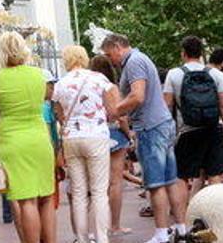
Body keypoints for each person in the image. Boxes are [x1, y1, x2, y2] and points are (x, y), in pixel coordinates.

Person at [102, 34, 187, 243]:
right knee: (170, 179)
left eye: (109, 53)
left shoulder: (134, 62)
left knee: (156, 183)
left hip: (150, 127)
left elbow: (137, 95)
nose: (109, 59)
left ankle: (161, 233)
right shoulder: (141, 59)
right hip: (162, 123)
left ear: (117, 46)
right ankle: (180, 228)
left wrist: (115, 110)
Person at [0, 32, 56, 243]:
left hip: (12, 140)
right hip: (40, 138)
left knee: (26, 200)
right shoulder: (39, 75)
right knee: (47, 197)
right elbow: (45, 99)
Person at [53, 45, 120, 243]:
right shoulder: (99, 79)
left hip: (71, 138)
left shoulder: (60, 84)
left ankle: (82, 239)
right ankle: (101, 238)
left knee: (79, 192)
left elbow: (60, 115)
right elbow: (113, 110)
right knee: (99, 192)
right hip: (96, 136)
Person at [162, 38, 223, 198]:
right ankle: (214, 212)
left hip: (187, 130)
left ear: (183, 53)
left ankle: (183, 217)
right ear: (201, 53)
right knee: (214, 173)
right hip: (213, 129)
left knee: (181, 175)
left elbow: (166, 105)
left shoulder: (174, 74)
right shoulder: (215, 74)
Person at [89, 54, 134, 237]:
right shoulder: (111, 87)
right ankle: (115, 225)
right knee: (116, 182)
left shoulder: (89, 86)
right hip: (114, 134)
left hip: (94, 136)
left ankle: (97, 229)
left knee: (97, 184)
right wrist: (127, 134)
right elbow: (120, 115)